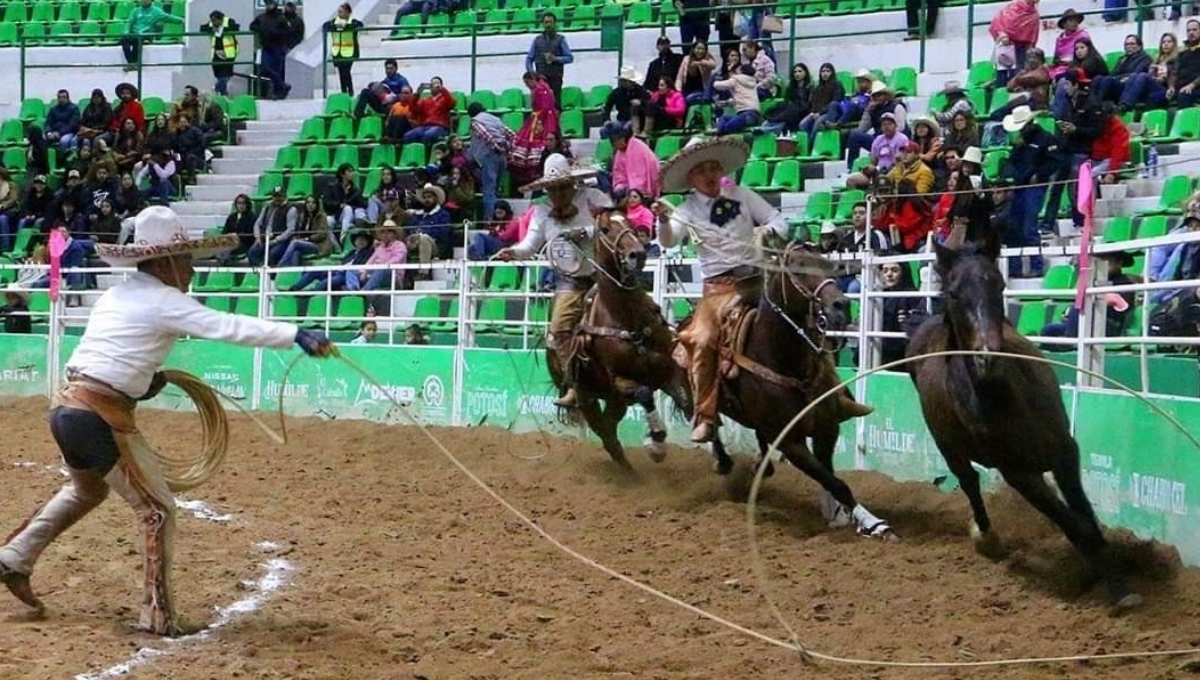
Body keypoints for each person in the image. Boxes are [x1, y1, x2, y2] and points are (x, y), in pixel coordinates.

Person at [0, 206, 333, 636]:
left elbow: (114, 352)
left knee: (86, 490)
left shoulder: (118, 294)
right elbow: (226, 326)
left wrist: (144, 381)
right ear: (164, 262)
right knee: (157, 510)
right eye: (186, 259)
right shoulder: (164, 300)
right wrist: (296, 335)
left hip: (69, 408)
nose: (191, 269)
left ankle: (14, 557)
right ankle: (157, 614)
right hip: (99, 414)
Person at [494, 154, 612, 407]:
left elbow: (612, 224)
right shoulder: (541, 211)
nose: (558, 193)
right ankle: (574, 384)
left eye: (562, 187)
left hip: (602, 275)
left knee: (634, 308)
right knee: (559, 328)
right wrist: (513, 252)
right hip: (570, 281)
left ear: (572, 184)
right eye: (552, 188)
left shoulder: (592, 198)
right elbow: (530, 244)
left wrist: (584, 232)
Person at [509, 72, 562, 187]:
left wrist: (538, 120)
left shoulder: (540, 89)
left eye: (527, 82)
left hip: (541, 118)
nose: (527, 86)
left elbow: (545, 106)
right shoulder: (545, 87)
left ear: (532, 79)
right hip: (544, 117)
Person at [468, 103, 515, 224]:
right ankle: (502, 219)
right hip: (502, 157)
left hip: (489, 156)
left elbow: (485, 135)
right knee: (496, 189)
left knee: (489, 190)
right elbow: (510, 134)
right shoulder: (495, 119)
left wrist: (496, 147)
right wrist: (507, 149)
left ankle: (491, 220)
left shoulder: (475, 121)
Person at [289, 228, 375, 292]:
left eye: (364, 240)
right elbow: (342, 263)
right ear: (355, 241)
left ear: (368, 242)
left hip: (347, 276)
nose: (361, 241)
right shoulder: (351, 252)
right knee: (314, 272)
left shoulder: (368, 253)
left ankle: (312, 296)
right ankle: (294, 289)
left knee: (326, 282)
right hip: (337, 272)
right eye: (359, 239)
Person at [1119, 32, 1177, 111]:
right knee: (1133, 76)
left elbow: (1175, 76)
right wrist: (1152, 73)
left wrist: (1164, 77)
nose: (1166, 44)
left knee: (1143, 75)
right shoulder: (1158, 59)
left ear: (1174, 44)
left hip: (1165, 88)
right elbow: (1152, 76)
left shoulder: (1176, 59)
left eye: (1169, 42)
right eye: (1163, 42)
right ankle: (1122, 103)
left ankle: (1127, 105)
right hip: (1156, 84)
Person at [525, 12, 573, 106]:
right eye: (546, 22)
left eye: (550, 22)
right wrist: (531, 73)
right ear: (543, 24)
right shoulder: (537, 40)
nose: (548, 25)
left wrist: (555, 58)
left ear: (555, 23)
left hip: (556, 78)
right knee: (540, 106)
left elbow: (569, 58)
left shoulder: (561, 39)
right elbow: (529, 59)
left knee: (555, 105)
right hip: (541, 79)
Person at [120, 0, 183, 71]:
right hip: (135, 33)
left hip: (146, 34)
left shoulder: (157, 12)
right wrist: (126, 32)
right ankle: (131, 63)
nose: (144, 1)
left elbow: (169, 18)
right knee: (124, 39)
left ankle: (133, 64)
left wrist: (181, 20)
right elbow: (130, 22)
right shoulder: (135, 11)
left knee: (137, 40)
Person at [250, 0, 293, 100]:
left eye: (270, 4)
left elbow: (287, 32)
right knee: (264, 69)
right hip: (266, 47)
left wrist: (275, 33)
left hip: (277, 48)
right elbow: (252, 26)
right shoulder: (262, 17)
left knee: (276, 70)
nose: (268, 6)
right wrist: (261, 29)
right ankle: (283, 86)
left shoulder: (281, 18)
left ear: (275, 5)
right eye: (267, 4)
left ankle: (277, 92)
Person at [606, 122, 661, 198]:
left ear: (622, 138)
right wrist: (619, 187)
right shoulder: (620, 152)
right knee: (601, 176)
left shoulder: (637, 149)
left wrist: (627, 190)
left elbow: (640, 180)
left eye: (615, 142)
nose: (614, 146)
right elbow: (618, 174)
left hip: (639, 190)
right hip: (625, 186)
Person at [248, 187, 298, 267]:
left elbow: (290, 230)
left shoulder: (291, 209)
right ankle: (259, 274)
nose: (277, 198)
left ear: (285, 196)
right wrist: (257, 237)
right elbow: (258, 223)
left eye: (280, 196)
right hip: (265, 238)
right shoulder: (267, 207)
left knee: (273, 254)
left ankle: (272, 277)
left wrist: (275, 240)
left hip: (281, 240)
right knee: (252, 253)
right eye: (275, 196)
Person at [278, 195, 334, 267]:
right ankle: (295, 274)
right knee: (296, 252)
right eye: (308, 202)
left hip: (318, 245)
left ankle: (280, 266)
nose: (310, 205)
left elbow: (322, 234)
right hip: (304, 243)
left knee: (295, 243)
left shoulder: (322, 216)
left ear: (317, 205)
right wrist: (296, 236)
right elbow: (299, 231)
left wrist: (308, 239)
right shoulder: (303, 216)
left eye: (313, 203)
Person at [403, 77, 455, 145]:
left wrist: (442, 89)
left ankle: (426, 154)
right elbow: (413, 109)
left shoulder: (445, 98)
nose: (434, 85)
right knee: (408, 136)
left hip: (441, 127)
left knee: (428, 135)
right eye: (432, 84)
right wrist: (417, 93)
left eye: (436, 83)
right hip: (425, 126)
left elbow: (452, 103)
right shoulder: (426, 100)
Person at [762, 63, 812, 134]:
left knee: (786, 118)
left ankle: (764, 130)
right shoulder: (791, 87)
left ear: (805, 73)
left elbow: (808, 104)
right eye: (795, 72)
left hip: (802, 113)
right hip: (790, 112)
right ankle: (764, 127)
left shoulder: (810, 87)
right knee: (780, 109)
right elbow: (787, 100)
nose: (797, 74)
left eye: (800, 71)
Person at [325, 3, 363, 96]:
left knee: (346, 72)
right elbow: (326, 26)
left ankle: (350, 92)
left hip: (350, 51)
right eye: (339, 12)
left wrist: (345, 26)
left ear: (347, 12)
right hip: (337, 51)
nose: (339, 14)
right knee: (341, 73)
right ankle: (343, 92)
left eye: (341, 12)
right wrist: (337, 26)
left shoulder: (353, 22)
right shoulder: (334, 22)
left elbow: (360, 25)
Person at [323, 163, 368, 241]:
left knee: (347, 208)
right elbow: (326, 203)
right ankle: (335, 246)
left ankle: (344, 236)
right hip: (334, 214)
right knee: (327, 221)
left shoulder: (355, 190)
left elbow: (363, 204)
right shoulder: (332, 187)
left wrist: (350, 196)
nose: (352, 174)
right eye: (349, 171)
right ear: (342, 174)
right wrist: (339, 205)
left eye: (352, 171)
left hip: (349, 215)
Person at [713, 64, 761, 136]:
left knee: (725, 124)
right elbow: (741, 97)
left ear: (741, 71)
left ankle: (719, 132)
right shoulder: (753, 81)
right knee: (726, 121)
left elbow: (719, 86)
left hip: (745, 114)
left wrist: (714, 80)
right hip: (754, 116)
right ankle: (720, 131)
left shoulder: (736, 79)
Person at [200, 10, 240, 96]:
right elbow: (202, 28)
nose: (213, 23)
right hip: (215, 53)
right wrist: (212, 29)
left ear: (220, 19)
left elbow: (236, 28)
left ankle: (218, 87)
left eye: (215, 21)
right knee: (219, 75)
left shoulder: (229, 21)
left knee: (226, 75)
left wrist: (220, 30)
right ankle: (223, 93)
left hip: (228, 53)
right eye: (212, 20)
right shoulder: (211, 24)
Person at [604, 67, 651, 132]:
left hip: (638, 121)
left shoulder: (641, 91)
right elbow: (607, 106)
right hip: (621, 120)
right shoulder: (617, 92)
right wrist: (607, 119)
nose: (622, 82)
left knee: (628, 128)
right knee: (604, 130)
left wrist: (641, 102)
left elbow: (650, 104)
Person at [1169, 20, 1200, 108]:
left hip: (1196, 87)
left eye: (1194, 30)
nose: (1191, 33)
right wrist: (1171, 87)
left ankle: (1184, 121)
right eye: (1188, 30)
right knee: (1156, 96)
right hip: (1181, 87)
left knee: (1183, 95)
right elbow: (1174, 71)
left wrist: (1192, 85)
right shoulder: (1182, 51)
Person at [677, 40, 718, 106]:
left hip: (701, 91)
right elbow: (679, 78)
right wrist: (678, 91)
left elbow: (713, 65)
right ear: (693, 49)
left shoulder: (706, 60)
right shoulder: (686, 59)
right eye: (698, 48)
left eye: (703, 49)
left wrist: (701, 63)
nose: (700, 51)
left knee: (692, 99)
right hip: (686, 90)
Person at [219, 193, 257, 262]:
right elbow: (224, 231)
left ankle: (223, 262)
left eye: (243, 203)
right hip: (229, 241)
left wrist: (236, 236)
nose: (241, 206)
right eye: (239, 203)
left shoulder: (252, 217)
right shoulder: (232, 217)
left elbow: (250, 235)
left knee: (227, 246)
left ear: (247, 204)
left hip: (244, 244)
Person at [44, 90, 81, 155]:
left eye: (64, 97)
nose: (61, 99)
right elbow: (48, 123)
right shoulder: (53, 109)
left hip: (69, 132)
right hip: (53, 132)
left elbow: (72, 125)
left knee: (64, 141)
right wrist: (49, 133)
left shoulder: (74, 108)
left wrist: (59, 133)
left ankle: (63, 160)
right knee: (41, 139)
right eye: (59, 97)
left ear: (68, 98)